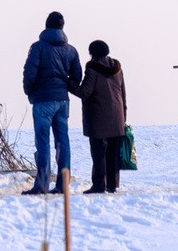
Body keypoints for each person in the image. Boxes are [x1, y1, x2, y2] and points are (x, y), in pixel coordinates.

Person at [22, 11, 82, 195]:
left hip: (43, 100)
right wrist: (64, 85)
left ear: (46, 25)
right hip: (63, 101)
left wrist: (29, 91)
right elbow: (77, 76)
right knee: (62, 141)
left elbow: (30, 72)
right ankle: (63, 184)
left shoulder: (38, 47)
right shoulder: (71, 50)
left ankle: (42, 184)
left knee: (42, 141)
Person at [68, 40, 127, 194]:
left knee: (99, 153)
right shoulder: (117, 68)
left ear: (92, 53)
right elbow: (123, 93)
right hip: (117, 117)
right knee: (113, 154)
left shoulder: (92, 69)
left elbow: (85, 92)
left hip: (98, 118)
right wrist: (124, 116)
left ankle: (99, 185)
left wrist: (69, 84)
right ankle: (112, 185)